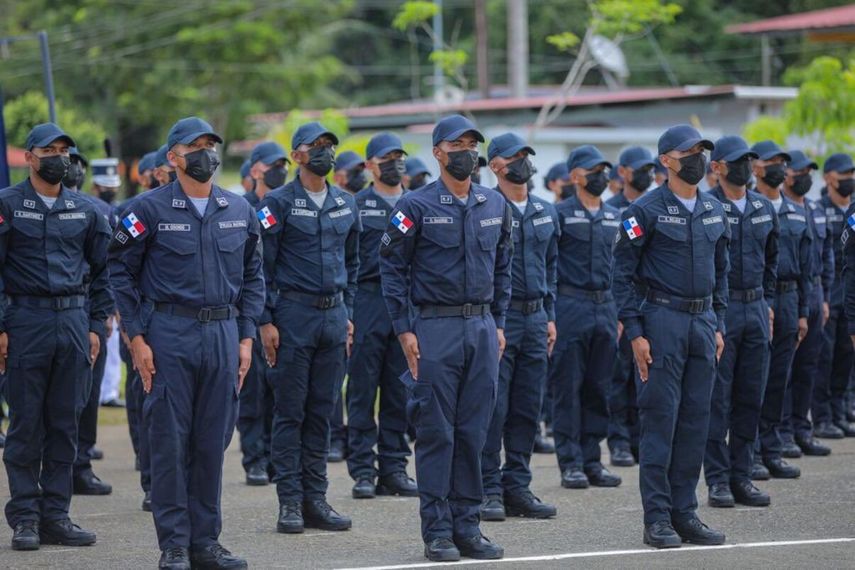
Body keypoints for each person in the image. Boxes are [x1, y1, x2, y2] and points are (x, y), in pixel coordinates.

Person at [109, 116, 264, 570]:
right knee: (170, 443)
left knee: (211, 442)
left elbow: (255, 275)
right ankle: (174, 544)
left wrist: (246, 334)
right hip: (168, 334)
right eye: (194, 146)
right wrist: (136, 335)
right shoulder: (146, 210)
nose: (205, 153)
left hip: (222, 332)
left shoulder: (239, 210)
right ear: (173, 157)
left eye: (210, 145)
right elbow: (120, 272)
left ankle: (206, 543)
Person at [380, 114, 512, 562]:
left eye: (473, 144)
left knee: (475, 432)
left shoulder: (494, 204)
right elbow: (392, 270)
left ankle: (467, 525)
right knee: (438, 433)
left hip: (480, 326)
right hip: (433, 328)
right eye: (458, 144)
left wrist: (498, 323)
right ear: (438, 152)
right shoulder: (414, 206)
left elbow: (503, 268)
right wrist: (404, 329)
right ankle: (437, 531)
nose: (467, 152)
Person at [612, 124, 728, 548]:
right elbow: (621, 277)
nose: (697, 158)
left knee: (696, 422)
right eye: (688, 152)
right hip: (661, 322)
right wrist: (636, 333)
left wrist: (718, 322)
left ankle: (686, 513)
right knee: (661, 422)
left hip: (701, 325)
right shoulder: (643, 211)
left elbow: (723, 273)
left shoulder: (714, 208)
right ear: (666, 161)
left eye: (701, 151)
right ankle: (657, 518)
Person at [0, 123, 112, 551]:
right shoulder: (8, 205)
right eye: (50, 150)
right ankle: (25, 518)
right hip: (26, 322)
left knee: (66, 424)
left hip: (73, 322)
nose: (59, 158)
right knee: (27, 424)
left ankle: (56, 516)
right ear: (29, 157)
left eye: (65, 151)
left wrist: (96, 325)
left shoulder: (86, 210)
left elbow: (103, 273)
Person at [258, 122, 359, 534]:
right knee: (290, 412)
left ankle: (316, 499)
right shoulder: (277, 203)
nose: (324, 152)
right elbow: (259, 266)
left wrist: (347, 311)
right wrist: (265, 320)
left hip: (333, 318)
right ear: (297, 156)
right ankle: (290, 503)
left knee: (323, 412)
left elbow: (353, 264)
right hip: (292, 317)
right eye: (314, 146)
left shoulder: (345, 203)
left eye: (328, 146)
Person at [479, 133, 558, 522]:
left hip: (536, 317)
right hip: (501, 319)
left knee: (528, 408)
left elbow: (552, 266)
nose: (523, 163)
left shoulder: (545, 210)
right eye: (515, 157)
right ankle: (489, 488)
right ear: (495, 165)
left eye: (526, 155)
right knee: (495, 407)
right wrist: (492, 320)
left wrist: (551, 315)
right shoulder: (487, 208)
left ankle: (518, 487)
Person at [702, 136, 778, 509]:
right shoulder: (708, 206)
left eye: (749, 160)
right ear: (716, 167)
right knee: (719, 399)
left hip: (755, 309)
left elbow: (772, 260)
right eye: (737, 161)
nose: (746, 167)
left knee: (751, 395)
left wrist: (769, 303)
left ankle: (742, 476)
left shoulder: (764, 206)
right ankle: (717, 480)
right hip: (723, 308)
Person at [347, 132, 418, 500]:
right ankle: (362, 469)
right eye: (387, 158)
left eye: (399, 156)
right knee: (362, 390)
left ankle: (394, 468)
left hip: (404, 306)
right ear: (370, 165)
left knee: (398, 390)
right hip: (367, 302)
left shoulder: (416, 203)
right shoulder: (356, 205)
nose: (396, 163)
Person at [549, 145, 622, 491]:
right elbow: (547, 264)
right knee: (568, 386)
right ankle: (571, 463)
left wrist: (622, 312)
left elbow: (624, 267)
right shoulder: (558, 214)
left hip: (605, 308)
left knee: (599, 387)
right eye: (594, 170)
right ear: (576, 175)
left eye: (604, 170)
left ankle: (593, 460)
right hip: (570, 306)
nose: (601, 176)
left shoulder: (614, 216)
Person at [749, 140, 808, 482]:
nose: (780, 169)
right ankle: (751, 451)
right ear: (755, 167)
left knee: (779, 380)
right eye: (772, 162)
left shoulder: (796, 210)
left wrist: (801, 312)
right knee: (752, 382)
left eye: (782, 163)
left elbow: (805, 264)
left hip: (789, 299)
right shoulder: (748, 207)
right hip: (756, 300)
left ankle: (772, 449)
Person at [72, 157, 125, 497]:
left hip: (91, 314)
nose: (68, 165)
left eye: (73, 159)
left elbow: (109, 266)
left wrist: (107, 312)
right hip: (41, 315)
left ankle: (80, 464)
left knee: (89, 396)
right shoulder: (16, 204)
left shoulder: (98, 210)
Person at [239, 141, 288, 486]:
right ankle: (254, 458)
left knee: (279, 390)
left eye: (283, 164)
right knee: (254, 389)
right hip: (255, 311)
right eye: (272, 164)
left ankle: (274, 456)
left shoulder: (285, 206)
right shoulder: (242, 208)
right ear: (255, 169)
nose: (279, 170)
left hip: (285, 308)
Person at [606, 146, 656, 467]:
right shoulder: (613, 210)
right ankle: (619, 441)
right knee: (618, 378)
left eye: (650, 169)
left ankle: (639, 439)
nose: (647, 175)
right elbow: (617, 269)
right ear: (623, 172)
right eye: (640, 168)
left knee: (645, 376)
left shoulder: (651, 208)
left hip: (647, 305)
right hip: (618, 305)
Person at [782, 151, 832, 457]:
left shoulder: (814, 209)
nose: (805, 177)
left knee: (809, 366)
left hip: (814, 293)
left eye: (809, 172)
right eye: (800, 171)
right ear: (787, 175)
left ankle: (803, 428)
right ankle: (784, 431)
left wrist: (824, 296)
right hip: (789, 295)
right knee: (785, 369)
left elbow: (825, 255)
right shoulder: (780, 210)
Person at [813, 153, 855, 438]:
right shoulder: (818, 209)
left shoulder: (852, 211)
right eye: (844, 175)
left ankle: (840, 412)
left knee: (845, 356)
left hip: (848, 292)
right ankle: (822, 416)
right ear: (829, 177)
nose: (849, 180)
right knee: (824, 358)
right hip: (830, 292)